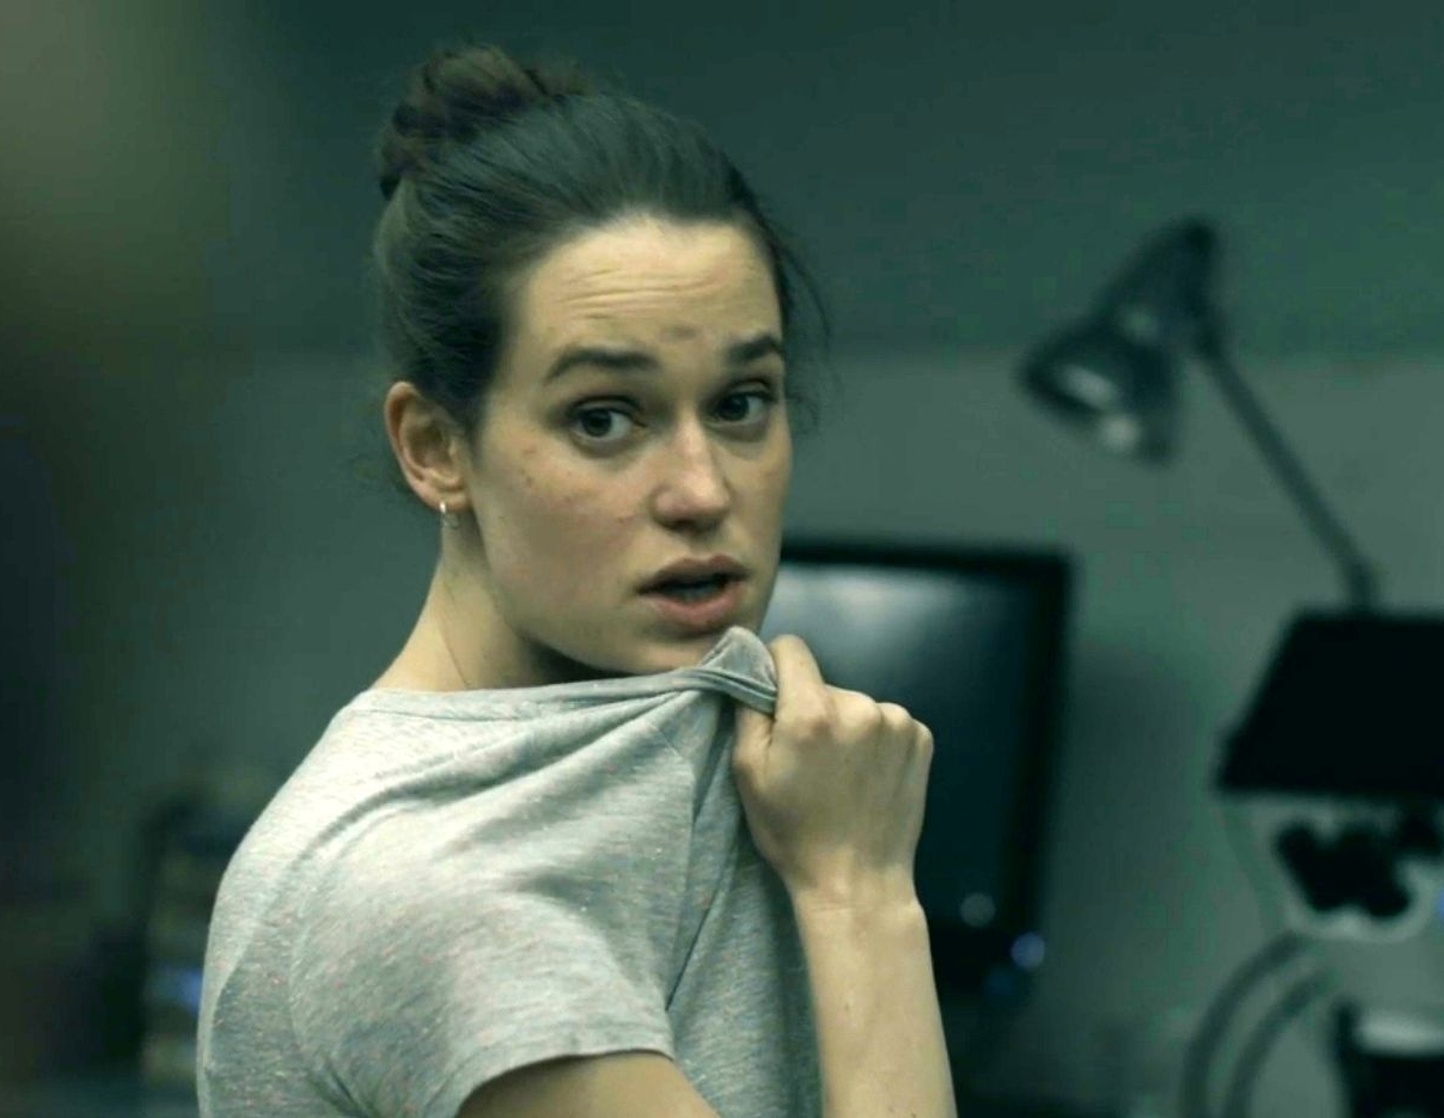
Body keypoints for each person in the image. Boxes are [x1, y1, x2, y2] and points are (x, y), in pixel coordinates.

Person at [194, 38, 958, 1118]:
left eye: (741, 402)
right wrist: (863, 895)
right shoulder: (435, 892)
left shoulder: (732, 733)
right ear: (435, 448)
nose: (702, 490)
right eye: (604, 418)